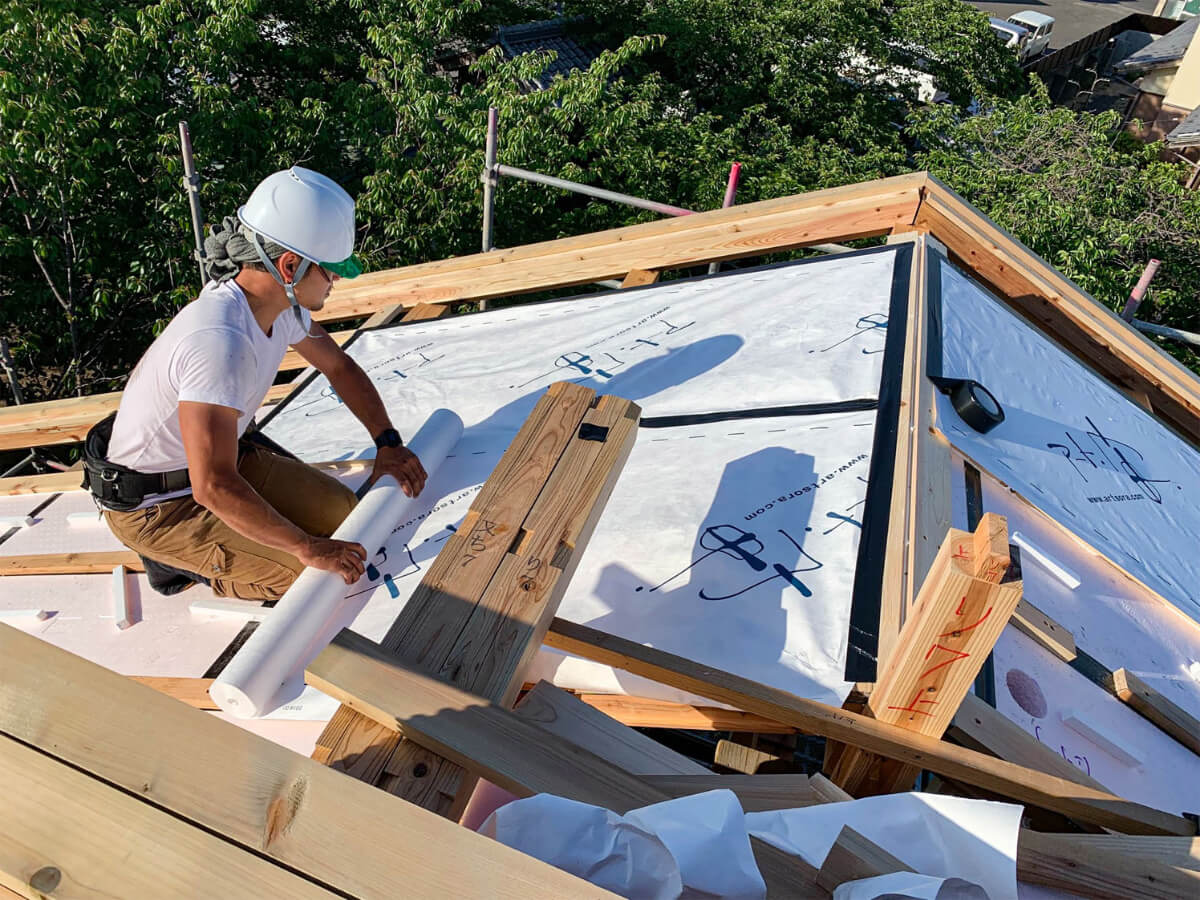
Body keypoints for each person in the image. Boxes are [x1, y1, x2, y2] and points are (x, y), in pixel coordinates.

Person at [83, 166, 426, 599]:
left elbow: (339, 367)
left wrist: (387, 441)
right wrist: (306, 548)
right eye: (331, 270)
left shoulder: (283, 309)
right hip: (160, 507)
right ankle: (175, 561)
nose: (336, 280)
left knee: (344, 514)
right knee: (311, 580)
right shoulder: (219, 343)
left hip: (219, 466)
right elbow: (213, 486)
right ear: (289, 265)